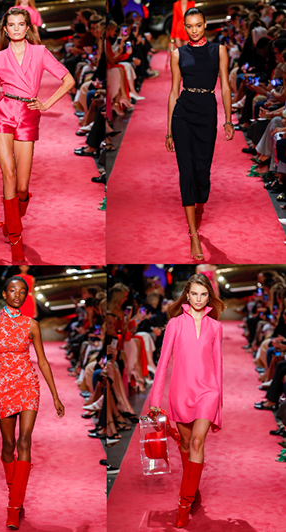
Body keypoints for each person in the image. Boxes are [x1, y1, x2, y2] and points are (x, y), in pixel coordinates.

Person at [0, 8, 75, 262]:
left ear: (27, 28)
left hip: (28, 114)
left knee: (22, 187)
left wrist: (46, 104)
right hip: (4, 113)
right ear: (5, 29)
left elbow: (69, 80)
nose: (17, 28)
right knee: (8, 174)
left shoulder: (40, 52)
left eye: (21, 24)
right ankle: (15, 238)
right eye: (12, 25)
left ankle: (13, 219)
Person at [0, 275, 65, 530]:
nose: (17, 295)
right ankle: (14, 492)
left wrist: (55, 395)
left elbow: (42, 361)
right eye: (12, 290)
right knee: (8, 444)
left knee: (24, 440)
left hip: (28, 384)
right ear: (4, 294)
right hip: (4, 386)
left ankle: (13, 507)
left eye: (22, 291)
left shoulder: (31, 324)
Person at [148, 273, 224, 529]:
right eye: (194, 294)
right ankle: (193, 487)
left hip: (208, 392)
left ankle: (184, 503)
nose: (199, 299)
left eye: (203, 294)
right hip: (181, 392)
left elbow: (218, 365)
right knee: (185, 446)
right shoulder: (174, 324)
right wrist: (154, 401)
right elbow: (163, 363)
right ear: (187, 296)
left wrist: (218, 404)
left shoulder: (216, 327)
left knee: (197, 441)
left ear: (209, 296)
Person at [165, 8, 234, 261]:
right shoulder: (177, 53)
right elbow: (174, 91)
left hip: (207, 112)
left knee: (202, 171)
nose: (194, 30)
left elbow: (225, 86)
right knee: (186, 172)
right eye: (189, 26)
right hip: (183, 114)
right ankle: (193, 235)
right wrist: (169, 131)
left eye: (198, 25)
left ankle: (200, 203)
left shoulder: (219, 50)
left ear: (205, 25)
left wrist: (228, 120)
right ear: (184, 27)